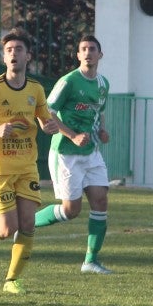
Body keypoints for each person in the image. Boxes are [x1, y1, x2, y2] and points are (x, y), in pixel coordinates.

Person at [0, 28, 61, 295]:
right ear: (4, 58)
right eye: (8, 50)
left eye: (18, 50)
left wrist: (49, 126)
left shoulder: (36, 89)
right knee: (7, 229)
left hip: (27, 166)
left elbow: (43, 119)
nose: (13, 54)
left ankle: (12, 280)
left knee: (28, 224)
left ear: (28, 56)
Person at [34, 35, 114, 274]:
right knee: (71, 210)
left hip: (91, 153)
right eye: (84, 49)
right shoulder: (68, 81)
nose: (88, 53)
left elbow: (99, 112)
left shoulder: (103, 84)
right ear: (78, 55)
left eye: (92, 49)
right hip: (66, 153)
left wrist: (101, 130)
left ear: (100, 55)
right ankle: (26, 223)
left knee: (100, 201)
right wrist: (72, 136)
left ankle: (90, 261)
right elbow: (48, 112)